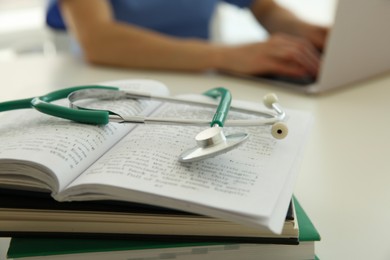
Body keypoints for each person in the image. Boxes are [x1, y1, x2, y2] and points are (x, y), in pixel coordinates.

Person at [46, 0, 328, 78]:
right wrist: (226, 55)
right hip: (108, 86)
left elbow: (265, 7)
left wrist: (303, 29)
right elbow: (98, 40)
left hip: (199, 85)